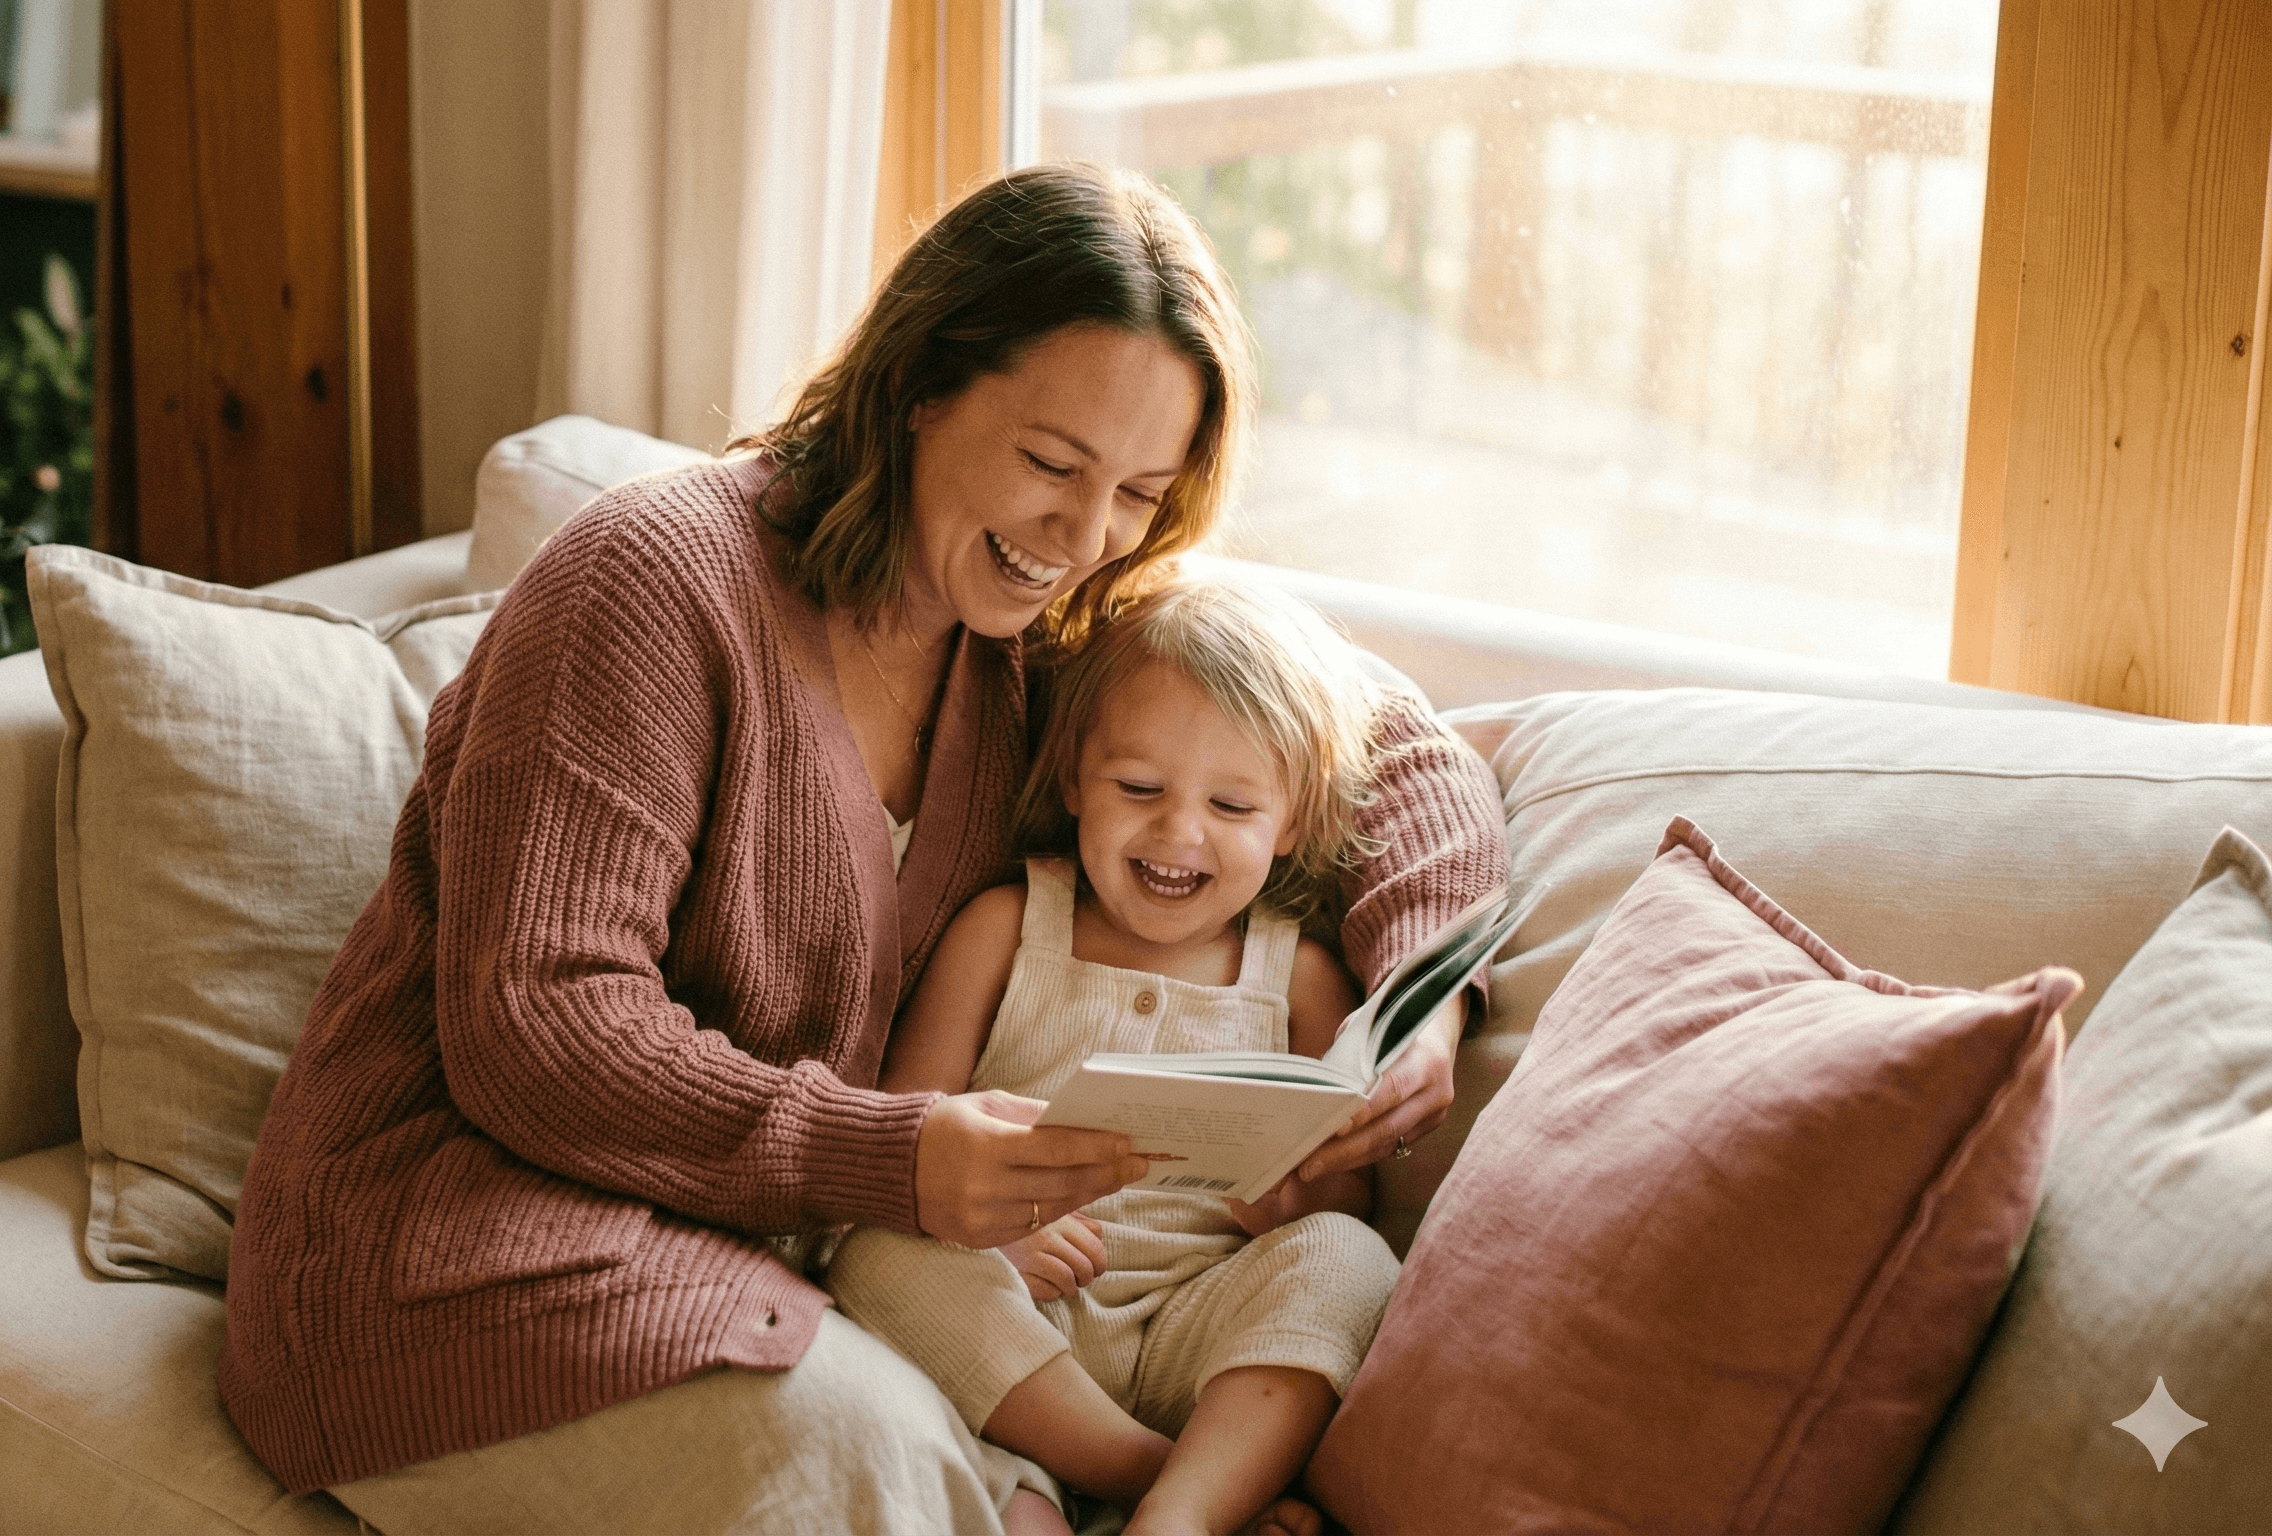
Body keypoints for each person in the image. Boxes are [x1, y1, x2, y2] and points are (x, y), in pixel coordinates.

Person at [217, 161, 1508, 1535]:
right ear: (914, 388)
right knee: (862, 1454)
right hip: (454, 1246)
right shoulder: (651, 584)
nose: (1083, 539)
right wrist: (894, 1159)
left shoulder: (1040, 644)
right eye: (1050, 464)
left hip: (774, 1246)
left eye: (1139, 492)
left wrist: (1417, 1007)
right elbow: (539, 1027)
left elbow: (1396, 746)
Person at [829, 578, 1413, 1536]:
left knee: (1352, 1259)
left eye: (1232, 804)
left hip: (1200, 1331)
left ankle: (1175, 1512)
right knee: (880, 1251)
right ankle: (1157, 1481)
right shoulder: (1007, 926)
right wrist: (987, 1231)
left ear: (1294, 821)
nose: (1178, 833)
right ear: (1072, 779)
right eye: (1138, 788)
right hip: (1017, 1342)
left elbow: (1345, 1194)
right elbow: (903, 1132)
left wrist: (1293, 1202)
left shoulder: (1297, 976)